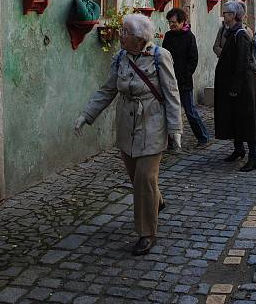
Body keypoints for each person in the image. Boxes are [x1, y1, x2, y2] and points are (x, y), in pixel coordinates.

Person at [73, 14, 182, 255]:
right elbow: (108, 90)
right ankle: (157, 201)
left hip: (152, 123)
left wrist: (175, 130)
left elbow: (172, 94)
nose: (120, 36)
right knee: (137, 177)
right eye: (121, 31)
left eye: (124, 33)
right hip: (126, 125)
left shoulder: (159, 56)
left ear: (139, 38)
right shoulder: (121, 57)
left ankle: (146, 233)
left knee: (144, 178)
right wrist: (86, 115)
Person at [214, 0, 256, 171]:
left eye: (226, 13)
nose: (224, 15)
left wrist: (235, 86)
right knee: (235, 117)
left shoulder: (240, 34)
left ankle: (254, 156)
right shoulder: (231, 32)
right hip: (233, 84)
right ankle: (239, 148)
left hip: (242, 86)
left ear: (234, 15)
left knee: (246, 121)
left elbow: (242, 62)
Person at [163, 7, 210, 146]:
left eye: (174, 22)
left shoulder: (189, 37)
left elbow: (193, 59)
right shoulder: (168, 36)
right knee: (169, 111)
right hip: (169, 80)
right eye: (170, 22)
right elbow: (164, 56)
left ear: (182, 22)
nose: (171, 25)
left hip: (184, 81)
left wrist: (185, 75)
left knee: (190, 111)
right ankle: (170, 141)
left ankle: (203, 136)